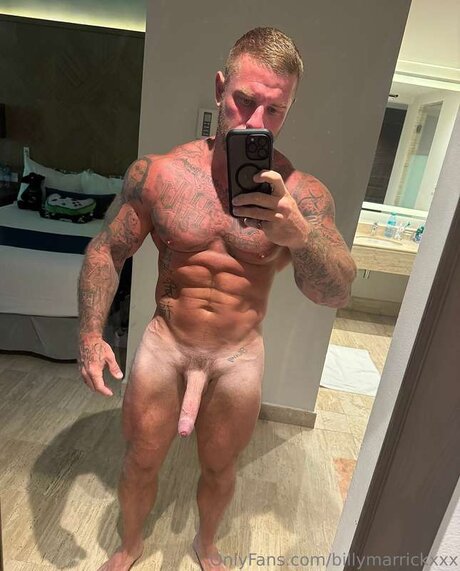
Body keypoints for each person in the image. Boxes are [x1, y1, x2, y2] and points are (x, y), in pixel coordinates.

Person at [78, 27, 357, 571]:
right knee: (140, 460)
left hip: (237, 353)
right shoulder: (160, 174)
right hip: (166, 342)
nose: (255, 122)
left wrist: (300, 237)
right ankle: (130, 546)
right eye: (244, 101)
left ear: (289, 110)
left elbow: (337, 292)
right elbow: (107, 251)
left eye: (274, 111)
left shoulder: (301, 195)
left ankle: (206, 545)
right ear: (219, 88)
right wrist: (90, 334)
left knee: (220, 468)